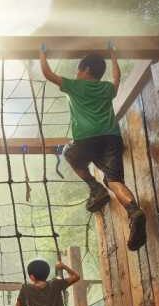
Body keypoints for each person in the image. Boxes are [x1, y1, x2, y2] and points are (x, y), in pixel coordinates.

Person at [39, 44, 146, 251]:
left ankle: (94, 186)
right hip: (112, 139)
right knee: (114, 180)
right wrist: (113, 54)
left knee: (69, 153)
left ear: (86, 69)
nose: (77, 73)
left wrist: (42, 52)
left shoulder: (75, 86)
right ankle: (133, 210)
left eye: (79, 69)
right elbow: (116, 78)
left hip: (87, 140)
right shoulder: (107, 89)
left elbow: (47, 73)